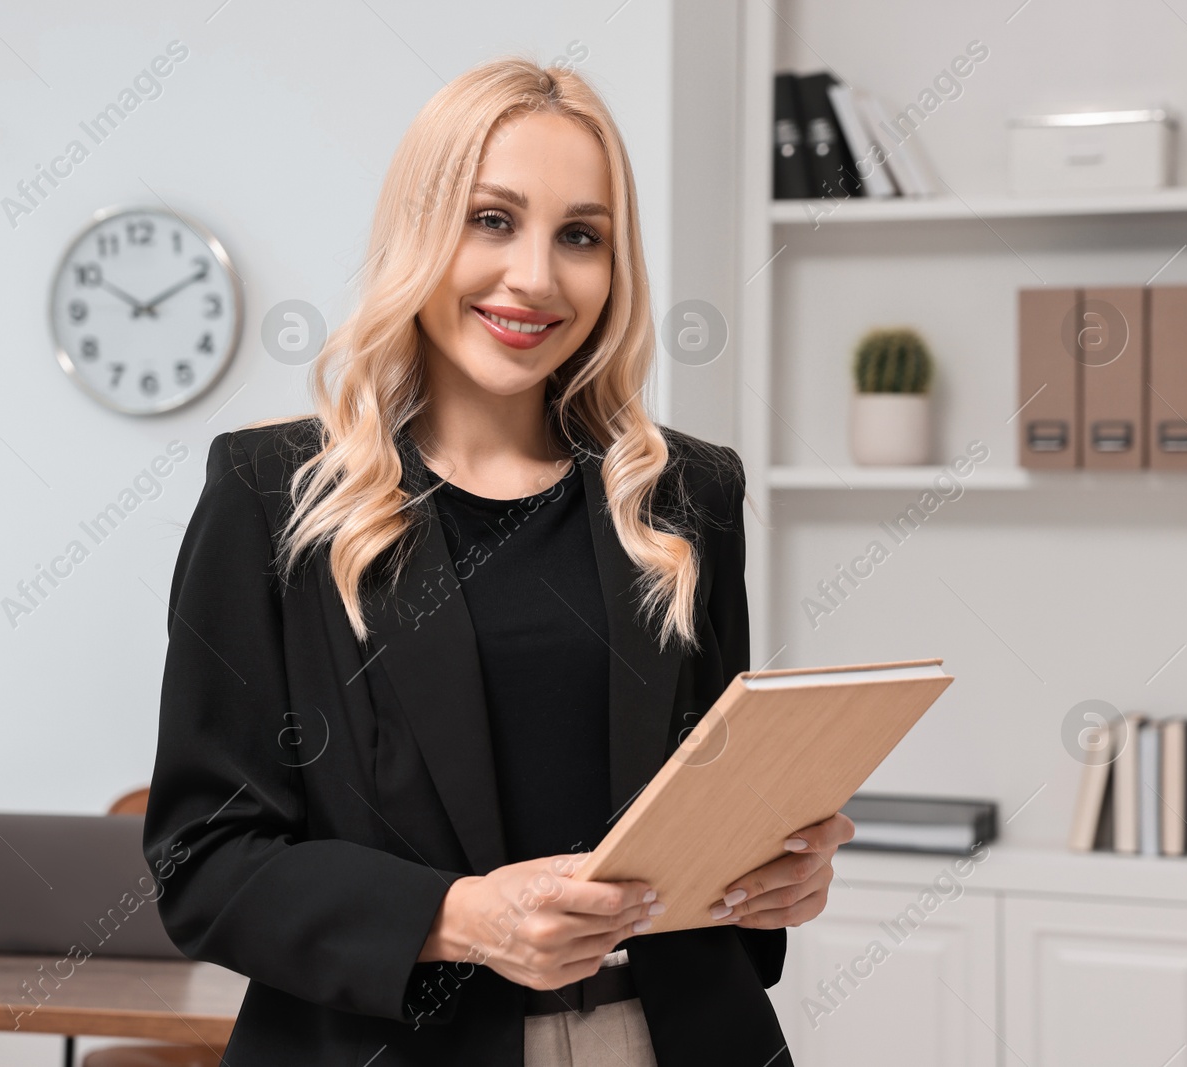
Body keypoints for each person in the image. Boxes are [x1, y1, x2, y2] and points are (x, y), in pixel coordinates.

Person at [142, 55, 854, 1067]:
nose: (534, 276)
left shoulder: (686, 495)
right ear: (421, 229)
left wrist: (777, 871)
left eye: (580, 236)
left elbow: (714, 801)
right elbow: (201, 862)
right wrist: (455, 914)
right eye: (492, 220)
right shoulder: (274, 493)